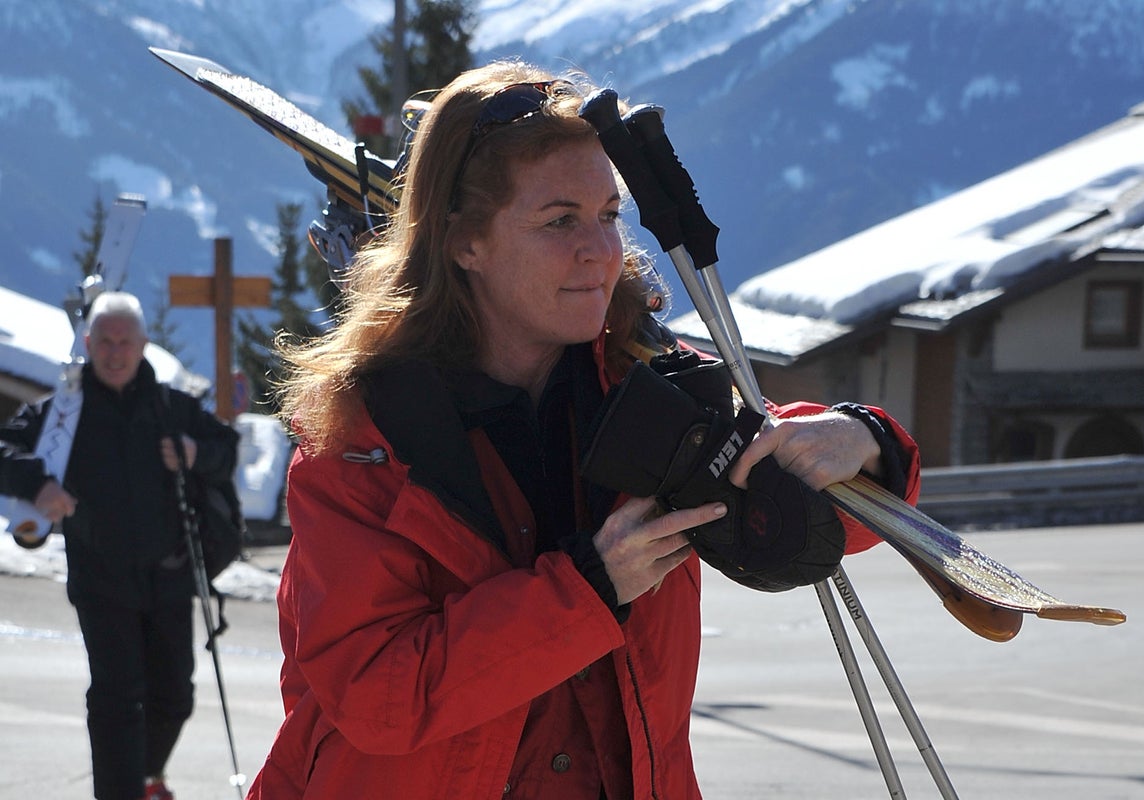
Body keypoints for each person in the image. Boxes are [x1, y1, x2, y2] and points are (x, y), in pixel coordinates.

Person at [247, 59, 920, 799]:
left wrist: (864, 444)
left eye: (607, 215)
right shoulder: (359, 442)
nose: (600, 251)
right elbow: (379, 697)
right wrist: (588, 588)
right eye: (559, 220)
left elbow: (770, 495)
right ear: (464, 243)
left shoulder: (647, 387)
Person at [0, 292, 240, 800]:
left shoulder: (171, 407)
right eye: (104, 342)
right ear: (88, 344)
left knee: (175, 695)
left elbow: (228, 450)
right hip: (101, 579)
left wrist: (195, 453)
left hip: (169, 575)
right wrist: (36, 483)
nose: (114, 352)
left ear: (143, 344)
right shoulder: (63, 414)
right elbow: (4, 450)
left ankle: (145, 777)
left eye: (124, 341)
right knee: (117, 698)